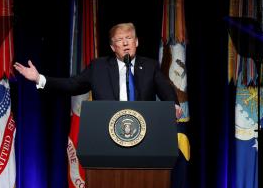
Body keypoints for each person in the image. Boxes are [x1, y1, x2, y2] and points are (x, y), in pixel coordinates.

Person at [13, 22, 182, 118]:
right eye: (120, 40)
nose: (125, 43)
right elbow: (73, 85)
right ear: (112, 47)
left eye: (129, 38)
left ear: (136, 42)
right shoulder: (98, 67)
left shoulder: (150, 66)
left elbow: (165, 88)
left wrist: (174, 105)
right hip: (106, 133)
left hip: (145, 130)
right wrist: (39, 78)